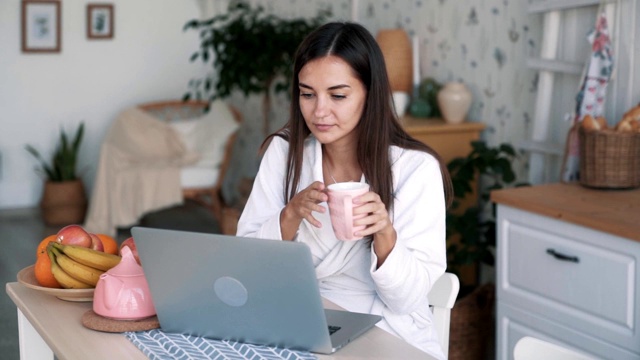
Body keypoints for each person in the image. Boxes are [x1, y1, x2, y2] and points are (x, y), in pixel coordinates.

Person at [236, 21, 452, 359]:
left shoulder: (414, 169)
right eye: (307, 94)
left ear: (371, 92)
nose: (319, 111)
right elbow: (246, 267)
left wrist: (384, 235)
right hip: (302, 320)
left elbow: (407, 300)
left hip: (385, 329)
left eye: (338, 95)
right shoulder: (285, 154)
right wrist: (289, 216)